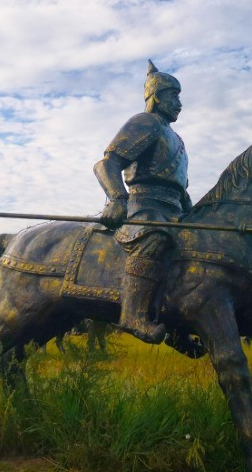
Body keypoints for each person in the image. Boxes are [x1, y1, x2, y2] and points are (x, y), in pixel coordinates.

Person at [95, 61, 191, 344]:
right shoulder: (146, 123)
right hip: (144, 207)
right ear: (157, 97)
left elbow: (181, 191)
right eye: (173, 96)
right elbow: (107, 163)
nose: (179, 104)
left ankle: (177, 321)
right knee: (156, 236)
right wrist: (117, 198)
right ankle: (132, 314)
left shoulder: (177, 139)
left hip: (174, 210)